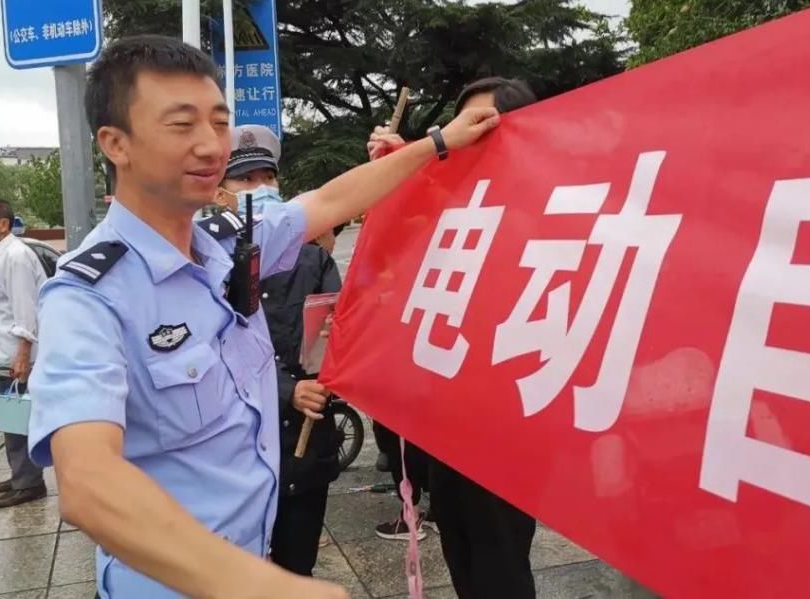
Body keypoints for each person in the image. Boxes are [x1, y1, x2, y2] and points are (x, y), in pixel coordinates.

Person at [26, 34, 500, 599]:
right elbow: (87, 482)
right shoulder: (87, 296)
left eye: (219, 122)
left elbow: (327, 201)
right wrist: (267, 588)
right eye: (182, 125)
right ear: (115, 144)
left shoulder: (225, 241)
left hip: (257, 553)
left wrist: (438, 143)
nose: (210, 146)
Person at [368, 76, 539, 599]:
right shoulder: (454, 207)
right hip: (443, 422)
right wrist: (400, 168)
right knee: (461, 549)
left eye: (480, 126)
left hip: (505, 426)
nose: (465, 136)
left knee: (499, 561)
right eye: (458, 127)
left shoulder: (541, 208)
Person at [217, 124, 343, 576]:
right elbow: (213, 354)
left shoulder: (315, 259)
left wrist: (324, 380)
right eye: (245, 180)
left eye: (267, 178)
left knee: (296, 569)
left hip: (303, 450)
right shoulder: (206, 263)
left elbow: (334, 338)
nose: (260, 189)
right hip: (238, 458)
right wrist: (287, 388)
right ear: (220, 194)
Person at [0, 198, 49, 508]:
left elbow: (25, 310)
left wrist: (23, 354)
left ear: (2, 224)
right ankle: (21, 475)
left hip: (16, 356)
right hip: (2, 353)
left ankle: (29, 483)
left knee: (19, 420)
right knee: (10, 419)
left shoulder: (15, 257)